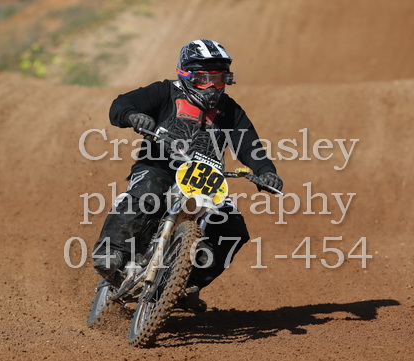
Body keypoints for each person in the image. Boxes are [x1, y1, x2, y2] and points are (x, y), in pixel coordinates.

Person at [93, 39, 283, 311]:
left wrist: (266, 172)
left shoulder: (230, 110)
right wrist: (133, 116)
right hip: (158, 167)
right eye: (205, 79)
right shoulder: (164, 92)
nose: (213, 87)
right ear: (187, 74)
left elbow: (249, 146)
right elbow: (121, 104)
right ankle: (112, 252)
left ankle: (186, 284)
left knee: (233, 229)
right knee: (147, 192)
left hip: (205, 178)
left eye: (219, 79)